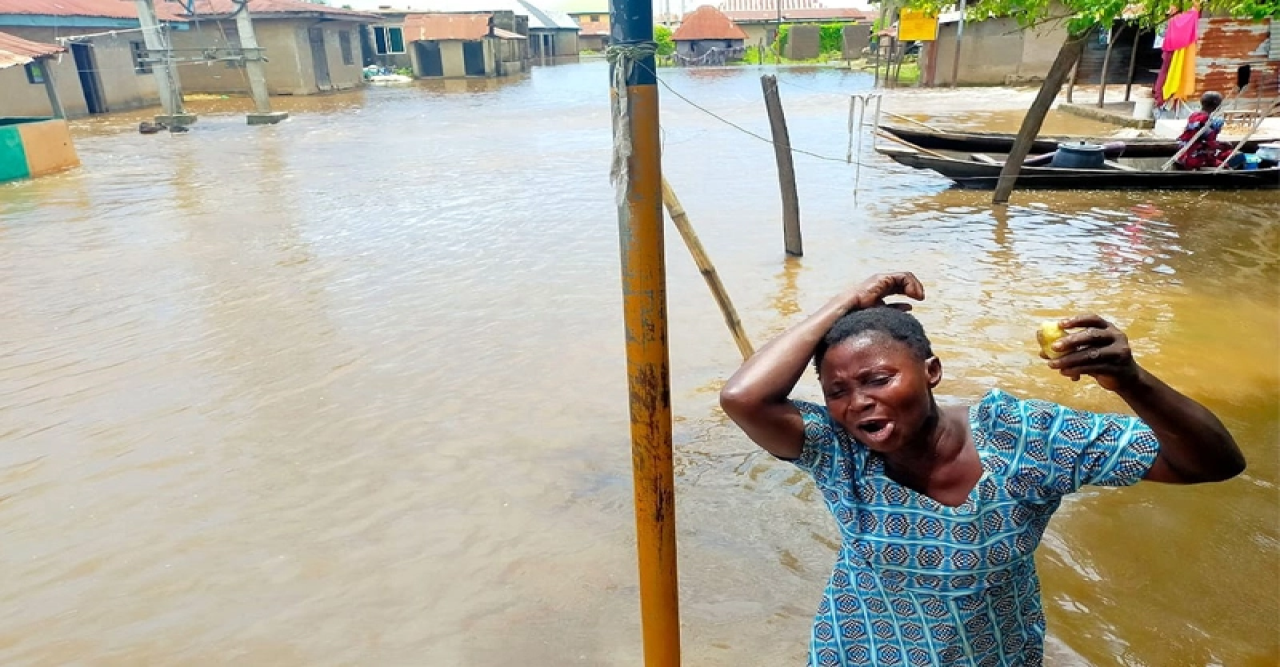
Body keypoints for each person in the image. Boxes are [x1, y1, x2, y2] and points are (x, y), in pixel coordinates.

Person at [719, 272, 1246, 667]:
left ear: (932, 373)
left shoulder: (1026, 438)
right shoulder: (838, 450)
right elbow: (744, 397)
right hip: (861, 650)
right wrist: (843, 304)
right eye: (837, 392)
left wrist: (1131, 380)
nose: (857, 402)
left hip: (991, 652)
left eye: (878, 379)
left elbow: (1213, 463)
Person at [1175, 91, 1243, 170]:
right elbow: (1209, 143)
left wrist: (1220, 144)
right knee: (1237, 156)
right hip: (1195, 158)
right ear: (1217, 106)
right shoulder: (1205, 121)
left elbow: (1199, 138)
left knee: (1227, 152)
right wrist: (1223, 145)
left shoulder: (1194, 116)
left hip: (1184, 154)